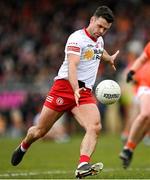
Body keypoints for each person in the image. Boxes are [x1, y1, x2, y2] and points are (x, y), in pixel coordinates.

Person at [11, 6, 119, 178]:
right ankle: (24, 145)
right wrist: (75, 89)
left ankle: (82, 165)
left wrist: (109, 58)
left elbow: (98, 50)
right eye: (99, 26)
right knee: (40, 131)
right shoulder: (76, 38)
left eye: (106, 29)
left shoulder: (99, 40)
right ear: (92, 20)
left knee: (95, 126)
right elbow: (72, 65)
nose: (101, 31)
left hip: (83, 92)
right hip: (65, 88)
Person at [119, 41, 150, 169]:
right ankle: (127, 148)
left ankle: (130, 147)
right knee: (145, 114)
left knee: (145, 120)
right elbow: (142, 58)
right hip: (146, 84)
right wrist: (132, 71)